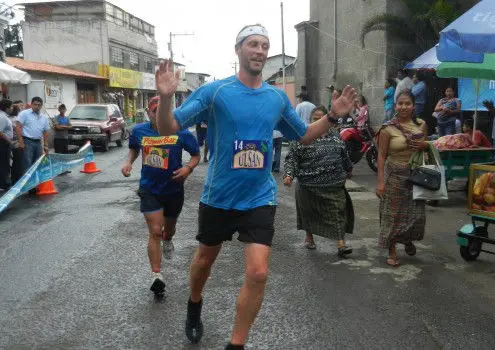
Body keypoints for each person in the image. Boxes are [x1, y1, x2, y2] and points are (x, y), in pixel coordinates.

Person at [153, 24, 357, 348]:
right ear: (238, 50)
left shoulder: (276, 97)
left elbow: (302, 134)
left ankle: (237, 343)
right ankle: (194, 303)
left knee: (259, 272)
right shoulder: (215, 92)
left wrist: (332, 116)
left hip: (259, 197)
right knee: (204, 261)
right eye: (253, 44)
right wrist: (165, 98)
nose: (260, 51)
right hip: (219, 197)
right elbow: (169, 126)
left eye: (264, 45)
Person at [121, 95, 200, 298]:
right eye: (156, 111)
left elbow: (196, 155)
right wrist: (129, 162)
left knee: (168, 230)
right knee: (155, 230)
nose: (160, 114)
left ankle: (169, 238)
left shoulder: (181, 131)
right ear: (149, 113)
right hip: (149, 188)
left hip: (174, 188)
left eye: (164, 111)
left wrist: (188, 169)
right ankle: (156, 275)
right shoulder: (139, 131)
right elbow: (133, 149)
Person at [283, 105, 354, 257]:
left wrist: (348, 168)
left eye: (323, 119)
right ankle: (309, 238)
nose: (320, 122)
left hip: (333, 184)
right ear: (311, 120)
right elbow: (292, 158)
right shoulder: (302, 137)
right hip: (309, 184)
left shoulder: (336, 136)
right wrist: (289, 175)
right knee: (309, 213)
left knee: (338, 212)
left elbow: (344, 155)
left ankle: (341, 244)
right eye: (316, 119)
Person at [375, 91, 429, 267]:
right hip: (394, 178)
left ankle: (407, 239)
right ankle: (392, 249)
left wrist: (425, 145)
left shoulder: (422, 125)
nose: (404, 107)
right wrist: (381, 182)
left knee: (417, 215)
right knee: (393, 216)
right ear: (395, 105)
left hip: (416, 177)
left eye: (407, 104)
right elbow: (381, 156)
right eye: (400, 103)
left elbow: (426, 149)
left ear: (414, 106)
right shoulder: (387, 128)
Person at [16, 97, 51, 171]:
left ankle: (36, 181)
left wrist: (45, 145)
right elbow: (18, 127)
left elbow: (46, 131)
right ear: (31, 104)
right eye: (35, 104)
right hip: (27, 142)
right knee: (27, 164)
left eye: (39, 105)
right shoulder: (24, 114)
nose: (37, 107)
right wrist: (21, 142)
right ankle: (27, 182)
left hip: (38, 142)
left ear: (41, 106)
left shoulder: (44, 117)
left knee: (38, 163)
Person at [0, 99, 15, 190]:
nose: (12, 108)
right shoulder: (2, 117)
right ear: (7, 108)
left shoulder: (3, 115)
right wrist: (10, 142)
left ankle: (4, 182)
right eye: (11, 106)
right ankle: (2, 184)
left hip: (4, 142)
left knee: (5, 163)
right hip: (2, 143)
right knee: (3, 164)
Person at [9, 104, 24, 184]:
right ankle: (16, 179)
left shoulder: (9, 118)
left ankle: (15, 178)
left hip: (13, 142)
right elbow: (19, 130)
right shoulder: (15, 119)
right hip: (17, 142)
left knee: (16, 161)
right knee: (18, 162)